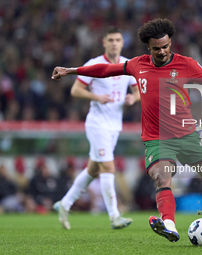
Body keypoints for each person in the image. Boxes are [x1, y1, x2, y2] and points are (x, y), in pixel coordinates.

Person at [51, 18, 202, 242]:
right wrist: (72, 71)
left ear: (171, 42)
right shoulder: (137, 64)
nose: (162, 52)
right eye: (156, 48)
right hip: (157, 139)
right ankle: (169, 225)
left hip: (188, 134)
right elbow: (105, 70)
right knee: (162, 178)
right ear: (148, 47)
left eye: (166, 46)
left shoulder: (187, 64)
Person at [53, 26, 140, 230]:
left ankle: (64, 204)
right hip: (97, 123)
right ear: (104, 42)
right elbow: (75, 90)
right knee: (108, 167)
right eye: (110, 40)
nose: (114, 43)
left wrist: (132, 98)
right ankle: (114, 216)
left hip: (114, 126)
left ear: (122, 42)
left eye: (117, 40)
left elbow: (138, 92)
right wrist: (96, 96)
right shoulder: (94, 64)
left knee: (93, 169)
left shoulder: (128, 65)